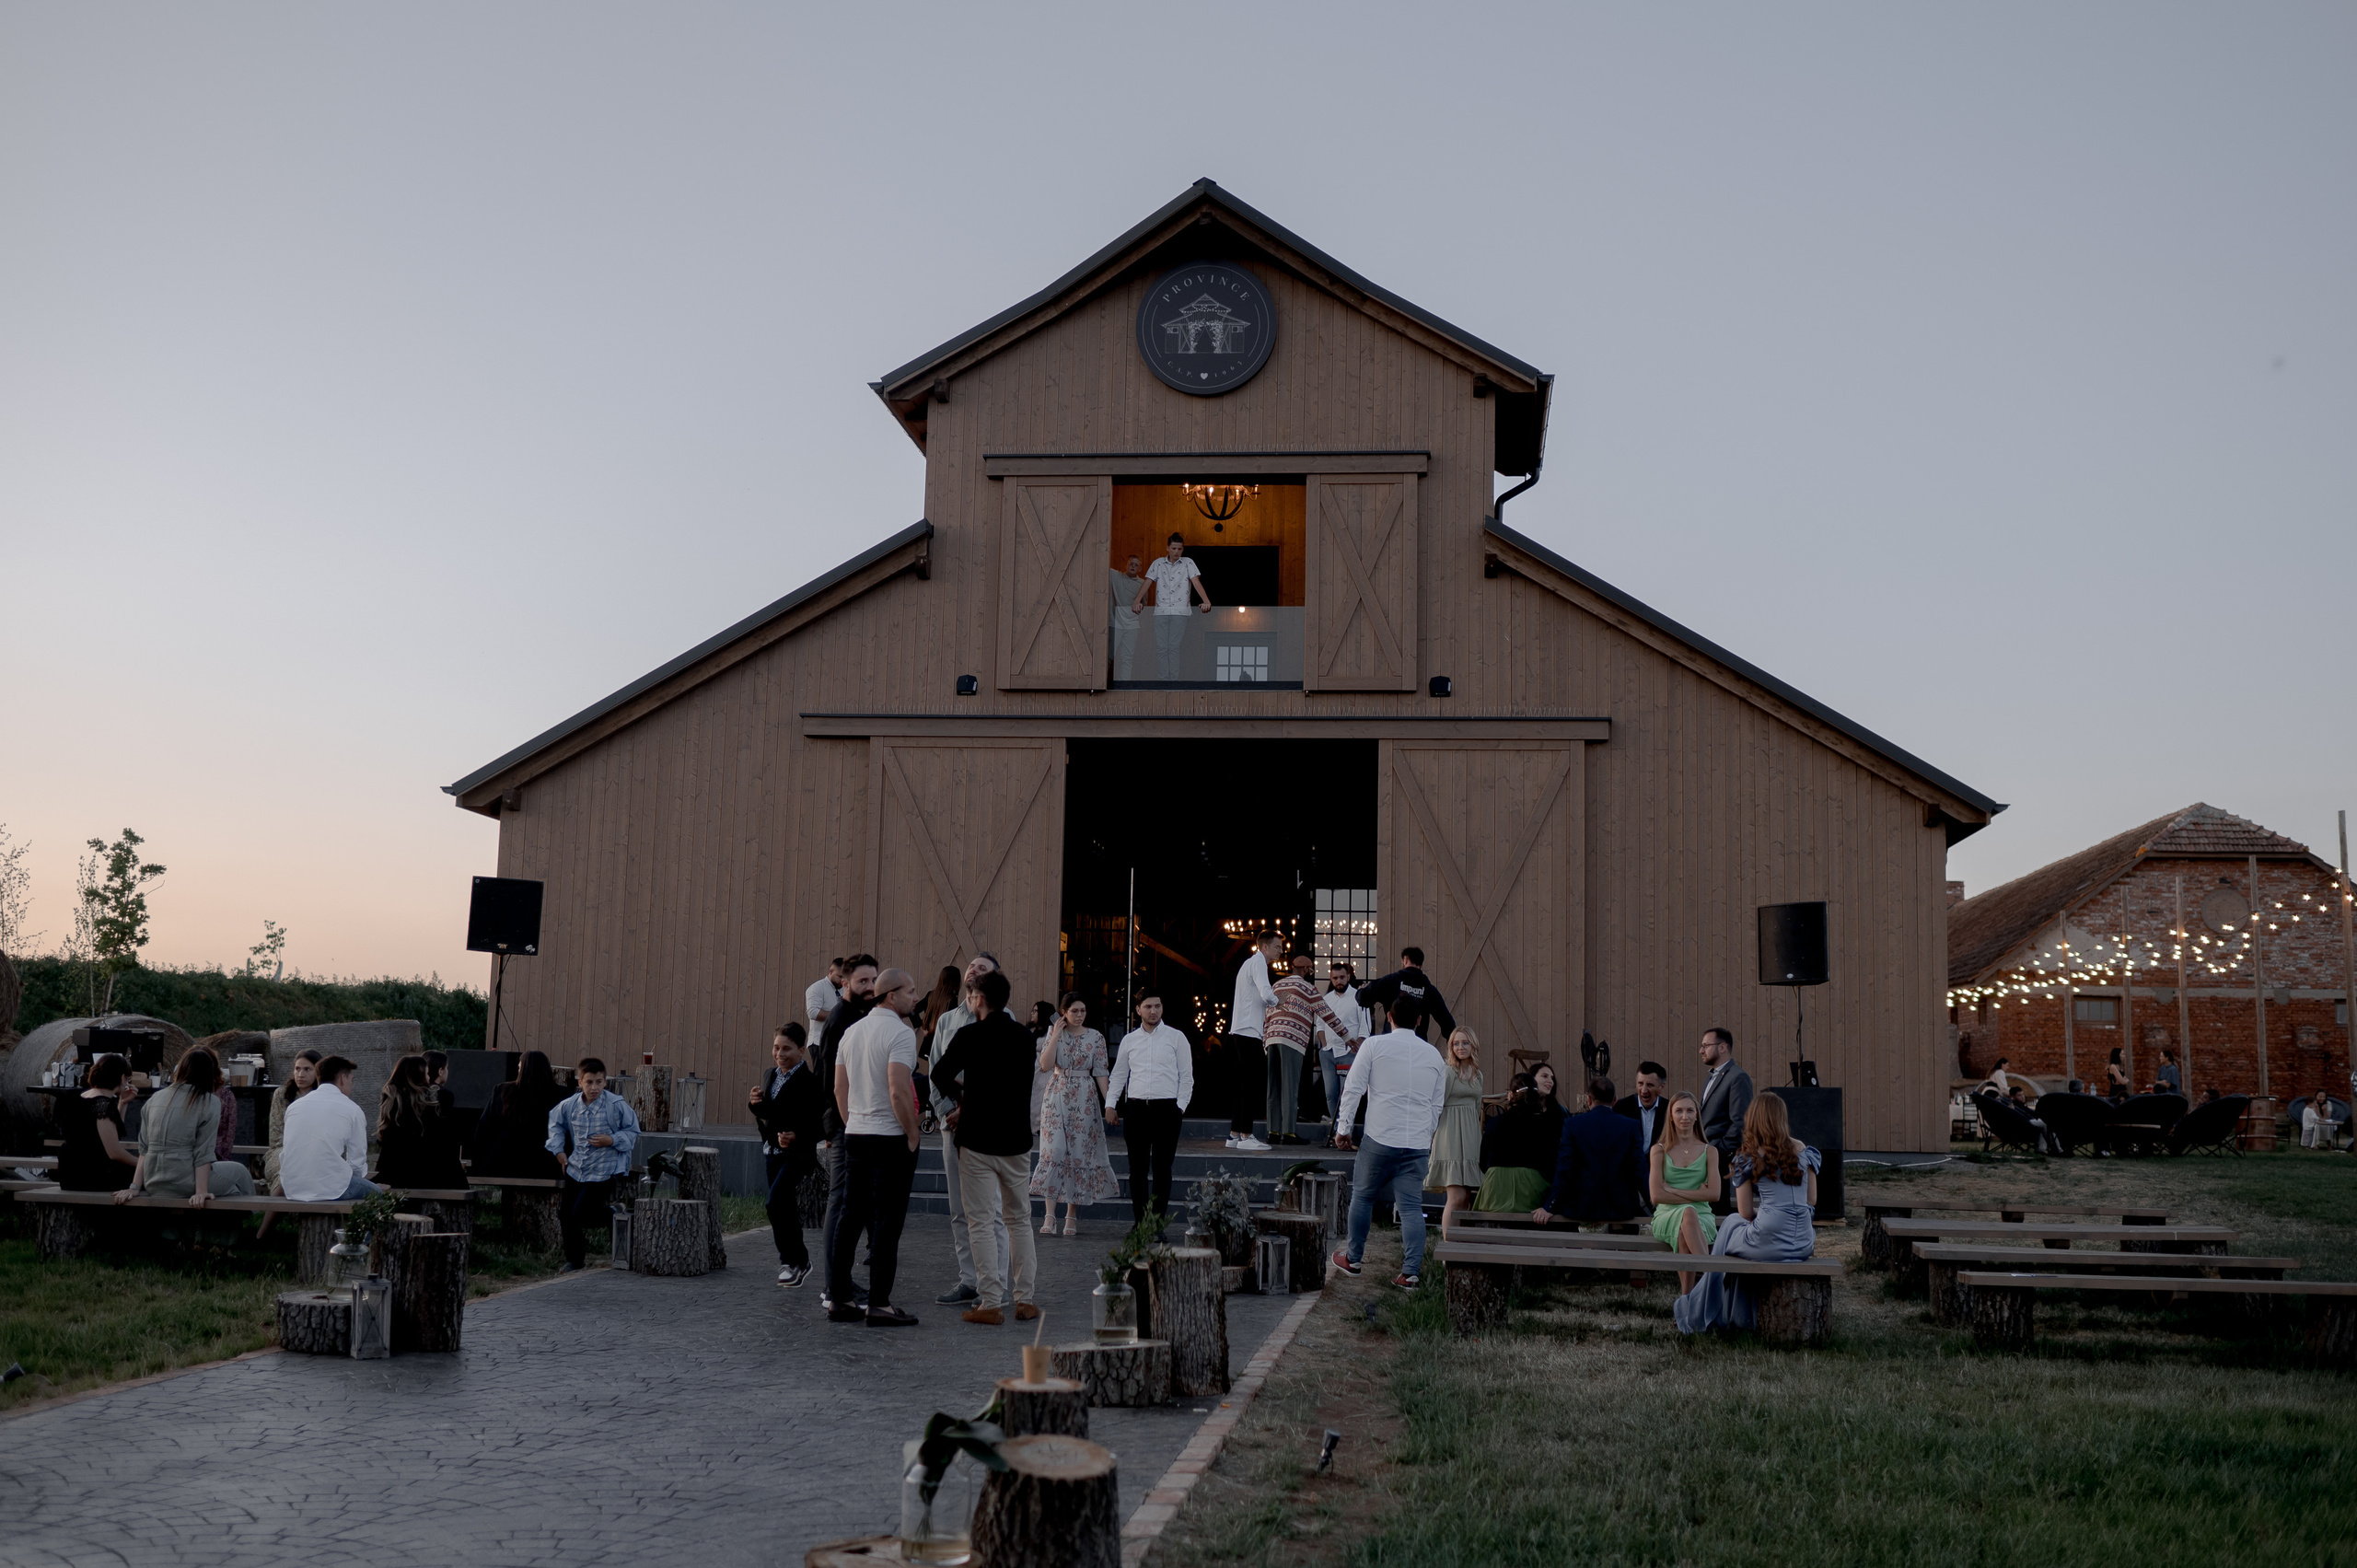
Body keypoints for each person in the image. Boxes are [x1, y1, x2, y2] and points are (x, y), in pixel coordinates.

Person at [932, 969, 1041, 1326]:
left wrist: (963, 1095)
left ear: (979, 998)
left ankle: (990, 1302)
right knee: (1019, 1220)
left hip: (977, 1140)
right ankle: (1025, 1300)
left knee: (980, 1222)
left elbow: (938, 1074)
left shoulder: (968, 1034)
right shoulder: (1025, 1037)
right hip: (1015, 1140)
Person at [1675, 1091, 1820, 1334]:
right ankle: (1730, 1313)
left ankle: (1701, 1308)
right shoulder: (1804, 1150)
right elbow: (1811, 1200)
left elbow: (1744, 1212)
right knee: (1734, 1232)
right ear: (1782, 1118)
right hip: (1804, 1242)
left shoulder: (1749, 1155)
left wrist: (1767, 1214)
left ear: (1753, 1119)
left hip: (1770, 1242)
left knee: (1732, 1224)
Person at [1331, 993, 1448, 1290]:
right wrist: (1427, 1134)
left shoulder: (1373, 1045)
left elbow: (1353, 1089)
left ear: (1390, 1018)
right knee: (1411, 1207)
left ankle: (1354, 1259)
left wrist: (1343, 1129)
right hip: (1417, 1143)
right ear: (1420, 1021)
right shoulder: (1434, 1055)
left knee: (1363, 1197)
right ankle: (1410, 1273)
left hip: (1380, 1138)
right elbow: (1437, 1105)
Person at [829, 966, 923, 1327]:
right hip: (889, 1138)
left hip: (856, 1133)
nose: (916, 998)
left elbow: (840, 1090)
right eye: (911, 991)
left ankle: (839, 1298)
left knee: (850, 1217)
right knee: (886, 1221)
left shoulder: (852, 1032)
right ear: (891, 995)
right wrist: (912, 1133)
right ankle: (880, 1304)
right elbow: (899, 1089)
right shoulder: (900, 1033)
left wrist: (853, 1121)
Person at [926, 953, 1005, 1308]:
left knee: (992, 1211)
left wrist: (970, 1110)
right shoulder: (946, 1020)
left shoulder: (1005, 1022)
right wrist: (948, 1112)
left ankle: (997, 1283)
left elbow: (999, 1079)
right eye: (972, 966)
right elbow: (935, 1073)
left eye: (983, 968)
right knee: (960, 1210)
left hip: (987, 1128)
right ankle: (969, 1280)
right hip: (952, 1127)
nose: (973, 970)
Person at [814, 953, 880, 1311]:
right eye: (861, 982)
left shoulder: (862, 1015)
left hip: (856, 1123)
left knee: (848, 1203)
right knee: (839, 1204)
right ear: (845, 983)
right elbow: (828, 1081)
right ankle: (833, 1285)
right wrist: (844, 1125)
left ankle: (839, 1282)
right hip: (845, 1126)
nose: (869, 987)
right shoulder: (840, 1019)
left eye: (873, 980)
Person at [114, 1047, 257, 1207]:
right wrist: (201, 1191)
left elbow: (144, 1149)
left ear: (181, 1069)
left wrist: (134, 1187)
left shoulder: (155, 1098)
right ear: (209, 1073)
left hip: (153, 1181)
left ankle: (175, 1231)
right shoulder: (209, 1101)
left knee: (233, 1191)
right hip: (184, 1181)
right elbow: (203, 1151)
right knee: (241, 1173)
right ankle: (253, 1224)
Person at [1030, 992, 1118, 1235]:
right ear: (1064, 1013)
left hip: (1084, 1096)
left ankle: (1071, 1214)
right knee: (1053, 1151)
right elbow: (1045, 1065)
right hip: (1057, 1093)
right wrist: (1056, 1034)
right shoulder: (1053, 1033)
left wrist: (1109, 1103)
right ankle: (1049, 1215)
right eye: (1074, 1011)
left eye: (1083, 1011)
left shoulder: (1096, 1037)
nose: (1079, 1015)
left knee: (1078, 1154)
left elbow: (1101, 1071)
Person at [545, 1055, 641, 1272]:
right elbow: (555, 1124)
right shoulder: (569, 1105)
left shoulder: (615, 1105)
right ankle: (575, 1260)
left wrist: (612, 1140)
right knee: (566, 1214)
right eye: (589, 1082)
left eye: (599, 1082)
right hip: (577, 1167)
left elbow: (633, 1130)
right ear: (580, 1082)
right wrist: (559, 1151)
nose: (594, 1087)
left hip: (605, 1170)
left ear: (605, 1082)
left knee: (582, 1213)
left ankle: (614, 1213)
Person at [1106, 993, 1194, 1225]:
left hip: (1167, 1109)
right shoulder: (1129, 1040)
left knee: (1162, 1170)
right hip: (1136, 1109)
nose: (1153, 1011)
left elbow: (1187, 1077)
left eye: (1157, 1006)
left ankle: (1157, 1223)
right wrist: (1110, 1105)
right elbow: (1118, 1075)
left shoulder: (1176, 1038)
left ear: (1162, 1008)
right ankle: (1140, 1222)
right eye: (1148, 1007)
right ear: (1138, 1010)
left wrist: (1180, 1107)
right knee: (1137, 1170)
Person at [751, 1023, 825, 1286]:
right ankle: (799, 1263)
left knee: (775, 1203)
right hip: (771, 1151)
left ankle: (790, 1259)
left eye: (786, 1048)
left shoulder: (810, 1082)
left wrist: (797, 1136)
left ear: (802, 1050)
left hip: (797, 1156)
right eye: (776, 1047)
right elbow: (771, 1113)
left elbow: (819, 1123)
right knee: (785, 1208)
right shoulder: (770, 1075)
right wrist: (755, 1103)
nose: (779, 1053)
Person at [1263, 950, 1360, 1145]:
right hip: (1292, 1039)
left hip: (1272, 1037)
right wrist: (1347, 1037)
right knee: (1290, 1086)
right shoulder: (1308, 988)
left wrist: (1266, 1041)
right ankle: (1288, 1133)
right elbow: (1327, 1015)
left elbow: (1267, 1013)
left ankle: (1273, 1131)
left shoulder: (1277, 985)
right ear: (1306, 970)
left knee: (1273, 1086)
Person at [1532, 1074, 1647, 1225]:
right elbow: (1640, 1171)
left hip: (1581, 1207)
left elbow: (1564, 1169)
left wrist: (1550, 1206)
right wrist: (1655, 1206)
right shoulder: (1630, 1126)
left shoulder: (1572, 1125)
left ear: (1589, 1100)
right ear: (1615, 1100)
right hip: (1621, 1208)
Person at [1648, 1090, 1722, 1294]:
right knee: (1687, 1212)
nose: (1685, 1116)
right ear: (1670, 1115)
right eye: (1679, 1111)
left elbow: (1714, 1195)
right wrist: (1695, 1194)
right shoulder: (1659, 1150)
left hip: (1703, 1217)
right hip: (1666, 1214)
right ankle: (1712, 1283)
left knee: (1685, 1229)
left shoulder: (1710, 1151)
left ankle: (1686, 1299)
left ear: (1697, 1115)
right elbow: (1656, 1196)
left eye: (1690, 1111)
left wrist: (1672, 1189)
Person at [280, 1054, 377, 1202]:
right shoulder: (352, 1109)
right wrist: (361, 1184)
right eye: (352, 1079)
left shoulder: (295, 1106)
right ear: (343, 1079)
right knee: (382, 1196)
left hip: (291, 1187)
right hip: (331, 1188)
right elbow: (357, 1163)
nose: (351, 1084)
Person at [1473, 1071, 1563, 1214]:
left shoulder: (1494, 1123)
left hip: (1494, 1189)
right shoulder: (1547, 1124)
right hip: (1530, 1189)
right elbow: (1553, 1163)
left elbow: (1483, 1164)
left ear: (1511, 1095)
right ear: (1535, 1096)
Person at [375, 1053, 467, 1189]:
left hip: (396, 1174)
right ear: (419, 1078)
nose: (429, 1078)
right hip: (432, 1176)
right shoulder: (432, 1106)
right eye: (427, 1074)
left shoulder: (393, 1105)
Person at [1225, 931, 1280, 1151]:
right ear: (1264, 947)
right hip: (1248, 1031)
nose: (1280, 950)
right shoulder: (1258, 962)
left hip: (1243, 1030)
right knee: (1250, 1085)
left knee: (1242, 1086)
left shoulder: (1249, 963)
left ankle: (1234, 1135)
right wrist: (1279, 1001)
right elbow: (1267, 993)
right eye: (1277, 947)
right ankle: (1246, 1136)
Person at [1424, 1028, 1485, 1227]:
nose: (1460, 1047)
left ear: (1473, 1045)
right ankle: (1448, 1251)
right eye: (1456, 1043)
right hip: (1450, 1135)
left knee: (1466, 1197)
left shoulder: (1478, 1075)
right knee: (1456, 1196)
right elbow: (1437, 1105)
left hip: (1470, 1136)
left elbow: (1477, 1108)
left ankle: (1461, 1247)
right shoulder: (1448, 1072)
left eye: (1465, 1043)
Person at [472, 1051, 566, 1179]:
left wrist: (479, 1162)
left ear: (521, 1069)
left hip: (505, 1161)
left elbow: (485, 1128)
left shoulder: (503, 1091)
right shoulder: (561, 1094)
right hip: (545, 1163)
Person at [1132, 531, 1212, 679]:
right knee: (1161, 648)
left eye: (1179, 549)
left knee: (1173, 648)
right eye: (1174, 548)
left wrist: (1206, 600)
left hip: (1180, 612)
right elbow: (1148, 582)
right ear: (1167, 548)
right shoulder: (1158, 563)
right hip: (1161, 612)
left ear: (1183, 549)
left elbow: (1196, 582)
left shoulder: (1188, 562)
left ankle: (1173, 682)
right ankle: (1163, 681)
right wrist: (1137, 600)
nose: (1177, 552)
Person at [58, 1053, 138, 1192]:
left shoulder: (78, 1097)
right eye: (128, 1079)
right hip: (92, 1175)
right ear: (122, 1077)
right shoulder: (102, 1104)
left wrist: (123, 1103)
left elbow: (111, 1133)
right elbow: (114, 1152)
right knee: (144, 1176)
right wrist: (143, 1164)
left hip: (70, 1173)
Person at [1355, 947, 1458, 1045]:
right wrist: (1454, 1042)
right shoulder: (1428, 989)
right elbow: (1446, 1020)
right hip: (1418, 1043)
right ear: (1421, 965)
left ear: (1405, 960)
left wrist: (1360, 991)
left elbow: (1363, 998)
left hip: (1390, 1042)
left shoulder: (1390, 981)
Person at [1315, 960, 1367, 1142]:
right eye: (1335, 978)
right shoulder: (1326, 999)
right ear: (1331, 978)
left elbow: (1364, 1028)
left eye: (1342, 977)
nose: (1339, 981)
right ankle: (1337, 1129)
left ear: (1349, 976)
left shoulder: (1358, 997)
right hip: (1328, 1052)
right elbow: (1319, 1025)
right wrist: (1323, 1045)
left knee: (1348, 1094)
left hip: (1349, 1053)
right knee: (1331, 1094)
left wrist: (1357, 1048)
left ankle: (1347, 1130)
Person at [263, 1049, 321, 1193]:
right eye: (297, 1069)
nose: (301, 1075)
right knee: (288, 1170)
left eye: (307, 1069)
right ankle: (272, 1213)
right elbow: (276, 1138)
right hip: (281, 1152)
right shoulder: (282, 1095)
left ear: (318, 1072)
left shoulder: (323, 1098)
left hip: (314, 1154)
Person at [1697, 1027, 1754, 1168]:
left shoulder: (1738, 1078)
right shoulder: (1710, 1079)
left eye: (1706, 1046)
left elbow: (1741, 1122)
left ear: (1722, 1047)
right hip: (1706, 1155)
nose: (1701, 1051)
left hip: (1723, 1160)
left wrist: (1719, 1150)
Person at [1615, 1061, 1672, 1154]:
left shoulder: (1670, 1109)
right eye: (1640, 1083)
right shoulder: (1621, 1108)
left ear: (1661, 1087)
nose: (1644, 1090)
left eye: (1650, 1085)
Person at [1109, 553, 1144, 680]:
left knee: (1127, 658)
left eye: (1136, 565)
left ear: (1140, 568)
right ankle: (1102, 684)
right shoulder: (1116, 576)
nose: (1133, 566)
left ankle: (1124, 686)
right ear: (1126, 565)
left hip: (1133, 625)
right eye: (1131, 563)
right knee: (1108, 656)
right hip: (1116, 623)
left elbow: (1144, 604)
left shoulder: (1142, 583)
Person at [808, 957, 846, 1042]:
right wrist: (837, 1015)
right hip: (819, 1042)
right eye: (840, 976)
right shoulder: (817, 988)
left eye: (844, 977)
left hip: (837, 1042)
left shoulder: (845, 989)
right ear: (831, 971)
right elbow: (813, 1013)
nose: (842, 980)